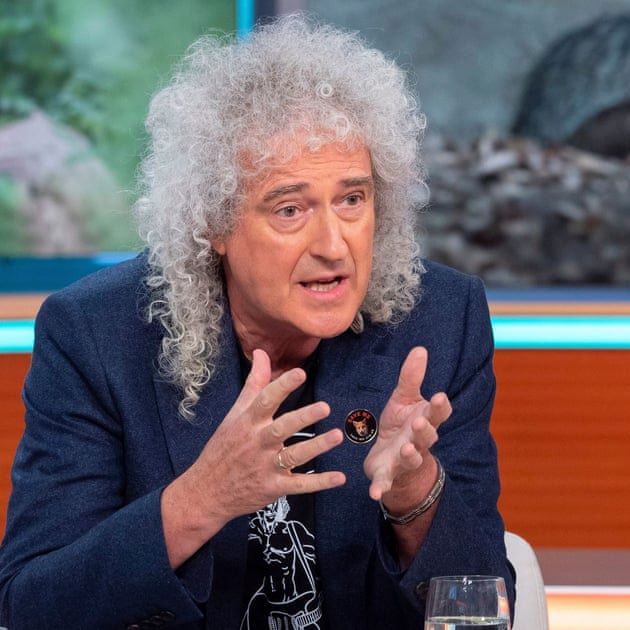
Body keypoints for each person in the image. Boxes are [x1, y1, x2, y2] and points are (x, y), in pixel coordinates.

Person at [0, 15, 515, 630]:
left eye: (352, 199)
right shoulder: (96, 334)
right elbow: (34, 605)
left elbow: (486, 605)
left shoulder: (438, 322)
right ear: (212, 223)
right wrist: (200, 500)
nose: (334, 246)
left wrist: (416, 494)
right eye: (290, 209)